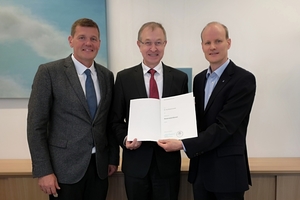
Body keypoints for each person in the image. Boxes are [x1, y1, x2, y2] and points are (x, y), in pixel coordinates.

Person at [157, 21, 256, 200]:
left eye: (218, 41)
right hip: (201, 171)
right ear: (202, 46)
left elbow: (224, 127)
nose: (212, 47)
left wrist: (182, 144)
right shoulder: (199, 79)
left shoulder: (244, 80)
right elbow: (196, 121)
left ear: (229, 43)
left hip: (228, 173)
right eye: (207, 43)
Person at [27, 18, 119, 200]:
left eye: (93, 39)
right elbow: (35, 126)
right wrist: (44, 171)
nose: (88, 43)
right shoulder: (49, 72)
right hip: (64, 170)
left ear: (99, 43)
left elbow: (108, 122)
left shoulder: (106, 76)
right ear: (71, 40)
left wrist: (112, 158)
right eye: (82, 37)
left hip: (99, 169)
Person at [111, 22, 188, 200]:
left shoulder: (180, 79)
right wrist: (125, 139)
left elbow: (183, 119)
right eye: (147, 42)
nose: (153, 48)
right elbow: (115, 120)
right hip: (136, 164)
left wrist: (182, 139)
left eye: (158, 42)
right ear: (139, 45)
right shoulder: (124, 78)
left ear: (165, 44)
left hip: (168, 165)